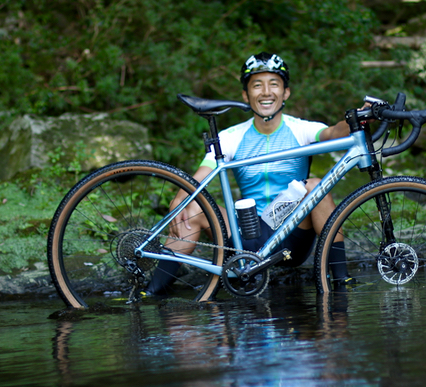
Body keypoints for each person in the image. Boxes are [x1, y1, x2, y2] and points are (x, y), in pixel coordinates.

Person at [142, 52, 354, 296]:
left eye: (274, 84)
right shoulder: (231, 137)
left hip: (292, 235)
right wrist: (181, 199)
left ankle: (341, 280)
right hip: (245, 233)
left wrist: (356, 120)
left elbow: (334, 133)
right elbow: (205, 170)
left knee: (316, 186)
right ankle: (151, 291)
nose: (266, 92)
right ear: (245, 95)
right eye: (257, 85)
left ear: (286, 92)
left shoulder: (302, 129)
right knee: (192, 208)